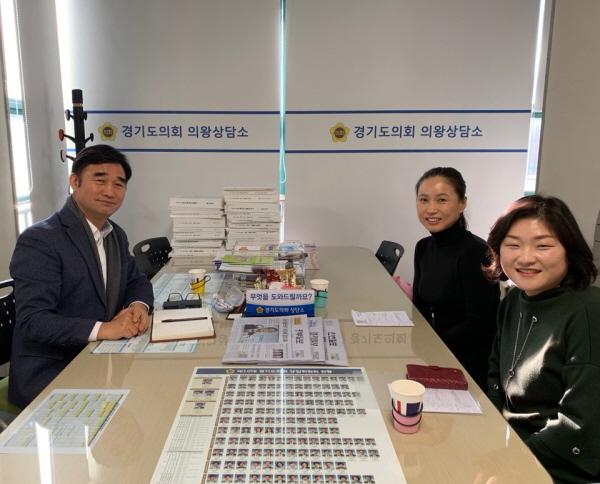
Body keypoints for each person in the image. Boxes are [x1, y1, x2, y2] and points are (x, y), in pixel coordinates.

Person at [9, 144, 154, 408]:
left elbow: (136, 280)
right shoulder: (41, 240)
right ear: (74, 182)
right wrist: (105, 329)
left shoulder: (114, 234)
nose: (110, 191)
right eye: (100, 180)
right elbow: (34, 320)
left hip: (101, 358)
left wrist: (138, 306)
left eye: (119, 184)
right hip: (53, 371)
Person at [485, 195, 600, 484]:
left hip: (560, 466)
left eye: (543, 246)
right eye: (513, 245)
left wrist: (513, 460)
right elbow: (496, 375)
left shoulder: (586, 312)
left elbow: (579, 424)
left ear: (569, 250)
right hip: (512, 444)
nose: (525, 258)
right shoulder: (514, 300)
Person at [413, 167, 500, 390]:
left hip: (468, 364)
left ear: (462, 203)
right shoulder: (423, 247)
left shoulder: (477, 252)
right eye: (423, 200)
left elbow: (480, 324)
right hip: (434, 355)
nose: (431, 209)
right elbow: (419, 308)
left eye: (442, 200)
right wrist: (421, 346)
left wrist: (434, 346)